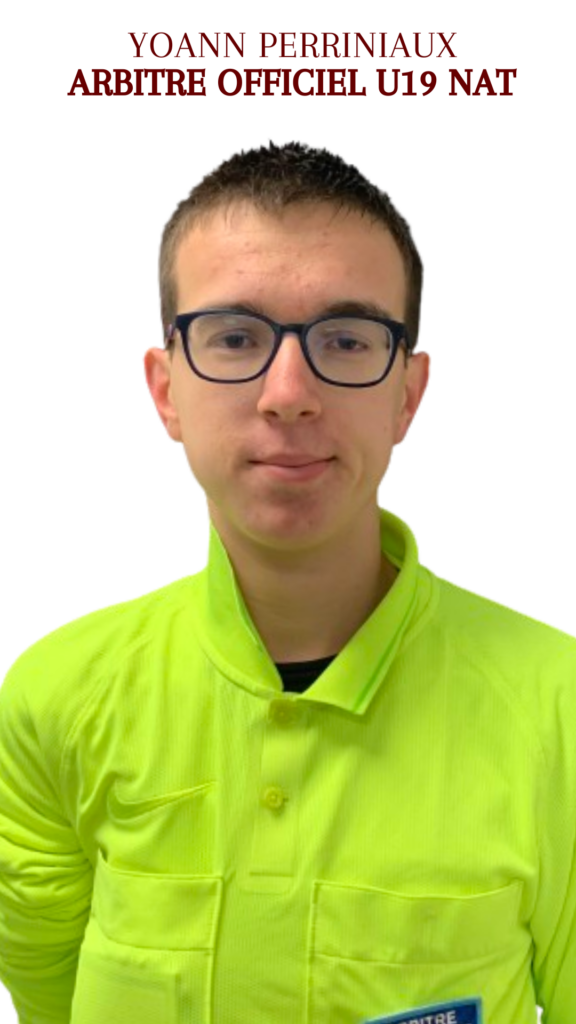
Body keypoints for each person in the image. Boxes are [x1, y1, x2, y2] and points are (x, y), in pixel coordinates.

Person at [0, 142, 574, 1024]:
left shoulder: (558, 709)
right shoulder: (55, 699)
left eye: (345, 339)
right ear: (166, 390)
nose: (288, 393)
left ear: (407, 394)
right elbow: (50, 996)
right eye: (236, 337)